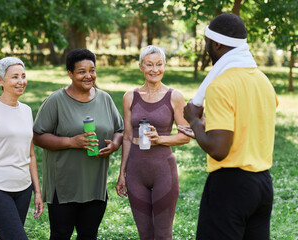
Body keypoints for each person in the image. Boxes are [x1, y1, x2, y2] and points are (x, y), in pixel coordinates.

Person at [178, 13, 278, 240]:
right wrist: (204, 129)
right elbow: (247, 124)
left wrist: (194, 120)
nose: (206, 50)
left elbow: (219, 150)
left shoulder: (220, 85)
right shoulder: (263, 81)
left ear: (216, 43)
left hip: (230, 186)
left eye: (206, 44)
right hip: (262, 185)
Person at [33, 48, 124, 240]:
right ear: (70, 73)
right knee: (60, 235)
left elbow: (119, 129)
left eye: (92, 70)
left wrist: (115, 145)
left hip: (95, 184)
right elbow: (37, 136)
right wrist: (71, 142)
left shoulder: (105, 99)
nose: (88, 76)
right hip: (64, 185)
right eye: (81, 71)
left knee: (89, 235)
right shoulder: (56, 101)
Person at [116, 45, 190, 239]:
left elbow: (185, 136)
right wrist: (122, 173)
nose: (154, 70)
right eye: (149, 65)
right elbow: (126, 137)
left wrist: (160, 140)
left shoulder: (174, 97)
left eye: (159, 64)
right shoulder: (129, 97)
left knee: (163, 234)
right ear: (141, 67)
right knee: (145, 234)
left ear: (165, 66)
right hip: (136, 172)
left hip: (163, 171)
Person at [0, 57, 43, 240]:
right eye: (14, 77)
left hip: (23, 188)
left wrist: (37, 191)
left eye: (23, 76)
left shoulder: (27, 110)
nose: (21, 81)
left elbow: (31, 155)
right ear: (0, 81)